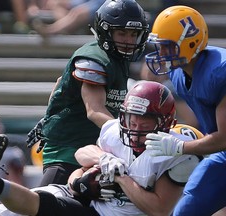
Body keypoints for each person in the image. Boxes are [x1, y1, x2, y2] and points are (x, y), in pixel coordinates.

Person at [0, 80, 202, 216]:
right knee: (35, 202)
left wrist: (121, 177)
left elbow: (159, 210)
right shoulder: (115, 131)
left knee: (44, 206)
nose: (135, 126)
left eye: (144, 121)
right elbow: (82, 155)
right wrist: (82, 179)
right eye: (131, 119)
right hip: (91, 203)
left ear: (164, 122)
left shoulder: (175, 150)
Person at [26, 0, 149, 186]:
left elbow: (60, 83)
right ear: (105, 31)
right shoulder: (95, 59)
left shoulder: (117, 58)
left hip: (96, 148)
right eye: (122, 33)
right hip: (69, 149)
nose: (129, 40)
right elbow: (94, 111)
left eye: (133, 34)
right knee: (47, 204)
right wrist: (131, 135)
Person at [143, 5, 226, 215]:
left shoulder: (222, 70)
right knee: (186, 210)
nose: (160, 53)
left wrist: (180, 147)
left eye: (166, 46)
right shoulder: (179, 74)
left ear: (191, 43)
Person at [29, 0, 105, 36]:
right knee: (55, 3)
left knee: (79, 13)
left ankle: (51, 31)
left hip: (103, 4)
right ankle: (66, 30)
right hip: (88, 1)